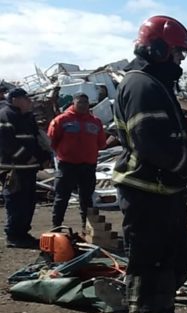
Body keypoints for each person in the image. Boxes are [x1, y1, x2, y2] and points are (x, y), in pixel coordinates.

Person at [113, 15, 187, 313]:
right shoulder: (142, 86)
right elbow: (152, 145)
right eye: (178, 55)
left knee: (172, 262)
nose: (181, 63)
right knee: (149, 269)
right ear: (157, 49)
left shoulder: (155, 83)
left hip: (163, 191)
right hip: (146, 193)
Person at [0, 88, 52, 248]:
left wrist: (43, 157)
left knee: (28, 202)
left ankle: (23, 233)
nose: (30, 102)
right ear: (15, 99)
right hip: (13, 169)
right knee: (16, 202)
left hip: (29, 169)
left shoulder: (28, 118)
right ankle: (13, 235)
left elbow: (36, 140)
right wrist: (27, 157)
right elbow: (7, 144)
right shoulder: (5, 116)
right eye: (26, 99)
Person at [47, 93, 107, 229]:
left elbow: (101, 143)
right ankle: (56, 226)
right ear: (73, 103)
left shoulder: (95, 122)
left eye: (85, 102)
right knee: (62, 197)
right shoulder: (61, 120)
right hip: (67, 165)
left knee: (86, 198)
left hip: (88, 166)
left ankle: (87, 228)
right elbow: (51, 141)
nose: (83, 105)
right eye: (79, 102)